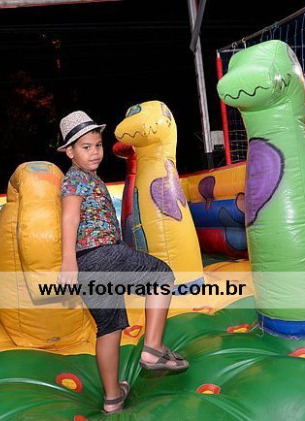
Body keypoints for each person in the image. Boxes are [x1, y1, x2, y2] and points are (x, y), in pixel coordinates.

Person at [57, 110, 189, 414]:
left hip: (90, 263)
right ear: (70, 152)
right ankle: (153, 349)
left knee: (109, 326)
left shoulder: (86, 177)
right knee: (162, 277)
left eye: (97, 145)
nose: (94, 152)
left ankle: (113, 398)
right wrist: (67, 261)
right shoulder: (74, 180)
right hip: (101, 254)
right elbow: (69, 218)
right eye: (85, 147)